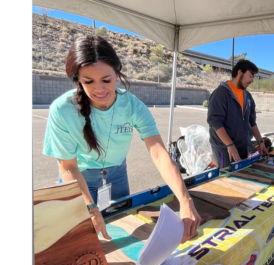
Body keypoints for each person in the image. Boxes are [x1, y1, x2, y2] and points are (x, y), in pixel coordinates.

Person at [42, 35, 201, 243]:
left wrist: (185, 200)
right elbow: (69, 168)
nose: (99, 89)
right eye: (88, 81)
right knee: (83, 240)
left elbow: (159, 153)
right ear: (77, 80)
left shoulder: (132, 105)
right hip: (79, 178)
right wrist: (90, 208)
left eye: (106, 80)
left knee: (121, 232)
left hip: (116, 175)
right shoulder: (62, 110)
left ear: (117, 73)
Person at [207, 60, 269, 169]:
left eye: (253, 77)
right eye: (250, 76)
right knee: (226, 179)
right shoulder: (221, 93)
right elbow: (215, 122)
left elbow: (252, 121)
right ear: (240, 73)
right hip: (224, 149)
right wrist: (230, 145)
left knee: (241, 176)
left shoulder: (247, 96)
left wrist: (260, 142)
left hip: (243, 147)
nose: (252, 80)